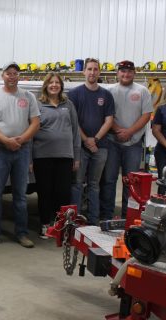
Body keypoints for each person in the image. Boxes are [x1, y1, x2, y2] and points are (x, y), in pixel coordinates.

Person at [0, 62, 40, 248]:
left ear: (18, 76)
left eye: (15, 73)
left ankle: (22, 233)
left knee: (20, 195)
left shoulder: (28, 96)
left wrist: (20, 140)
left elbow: (35, 123)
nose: (12, 76)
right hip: (0, 150)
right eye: (8, 73)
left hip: (22, 151)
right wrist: (6, 141)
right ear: (2, 76)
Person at [100, 60, 153, 221]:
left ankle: (127, 217)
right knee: (109, 180)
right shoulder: (108, 90)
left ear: (134, 73)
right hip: (112, 142)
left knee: (131, 183)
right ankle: (106, 216)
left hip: (134, 144)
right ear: (117, 73)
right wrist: (118, 130)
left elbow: (146, 115)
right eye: (122, 71)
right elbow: (106, 114)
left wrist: (129, 132)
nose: (126, 74)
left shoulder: (142, 91)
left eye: (129, 71)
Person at [32, 72, 80, 238]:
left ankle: (61, 227)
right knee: (45, 192)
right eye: (51, 82)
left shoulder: (69, 105)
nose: (54, 85)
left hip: (65, 156)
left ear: (61, 86)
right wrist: (30, 158)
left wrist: (77, 157)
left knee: (63, 193)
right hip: (42, 156)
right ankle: (45, 225)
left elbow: (75, 132)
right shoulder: (37, 105)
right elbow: (30, 132)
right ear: (46, 85)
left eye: (57, 83)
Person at [68, 58, 114, 225]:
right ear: (84, 72)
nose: (92, 72)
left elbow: (109, 120)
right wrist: (86, 140)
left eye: (95, 69)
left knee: (94, 184)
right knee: (77, 183)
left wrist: (94, 139)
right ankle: (74, 220)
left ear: (99, 72)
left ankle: (94, 221)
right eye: (89, 69)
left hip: (100, 147)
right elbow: (73, 121)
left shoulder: (106, 95)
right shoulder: (74, 94)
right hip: (80, 147)